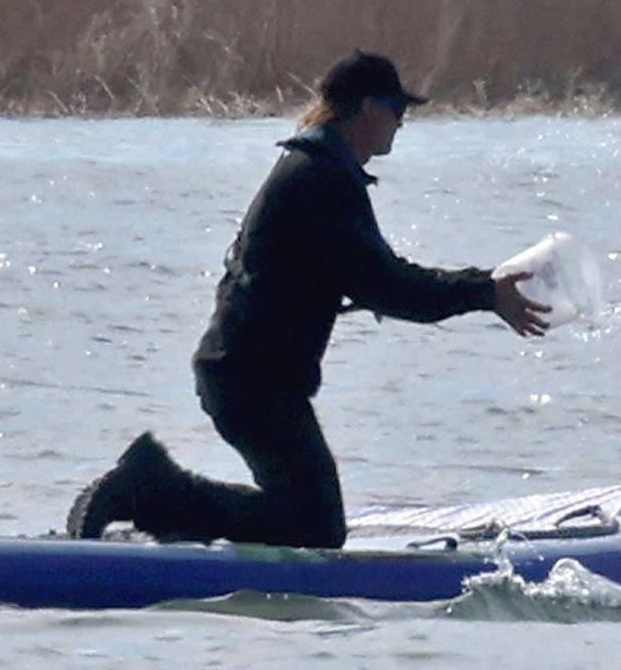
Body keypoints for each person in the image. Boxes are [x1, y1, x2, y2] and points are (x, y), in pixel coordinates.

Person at [66, 51, 552, 548]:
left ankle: (161, 507)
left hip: (245, 373)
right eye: (396, 110)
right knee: (314, 526)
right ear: (366, 109)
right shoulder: (320, 178)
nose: (402, 123)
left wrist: (472, 291)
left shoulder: (313, 168)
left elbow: (347, 276)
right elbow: (393, 286)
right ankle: (149, 490)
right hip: (254, 380)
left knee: (302, 515)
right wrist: (486, 292)